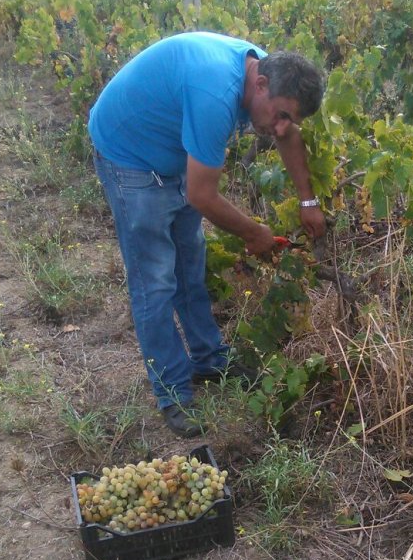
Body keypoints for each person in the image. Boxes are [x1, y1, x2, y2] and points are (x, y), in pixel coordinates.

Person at [88, 32, 326, 437]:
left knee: (190, 262)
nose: (281, 125)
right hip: (128, 154)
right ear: (261, 85)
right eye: (281, 114)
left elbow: (288, 136)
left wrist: (308, 201)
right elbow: (202, 194)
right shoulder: (216, 93)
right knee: (156, 282)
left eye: (292, 118)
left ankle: (208, 358)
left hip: (173, 152)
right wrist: (255, 233)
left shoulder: (269, 74)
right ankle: (172, 392)